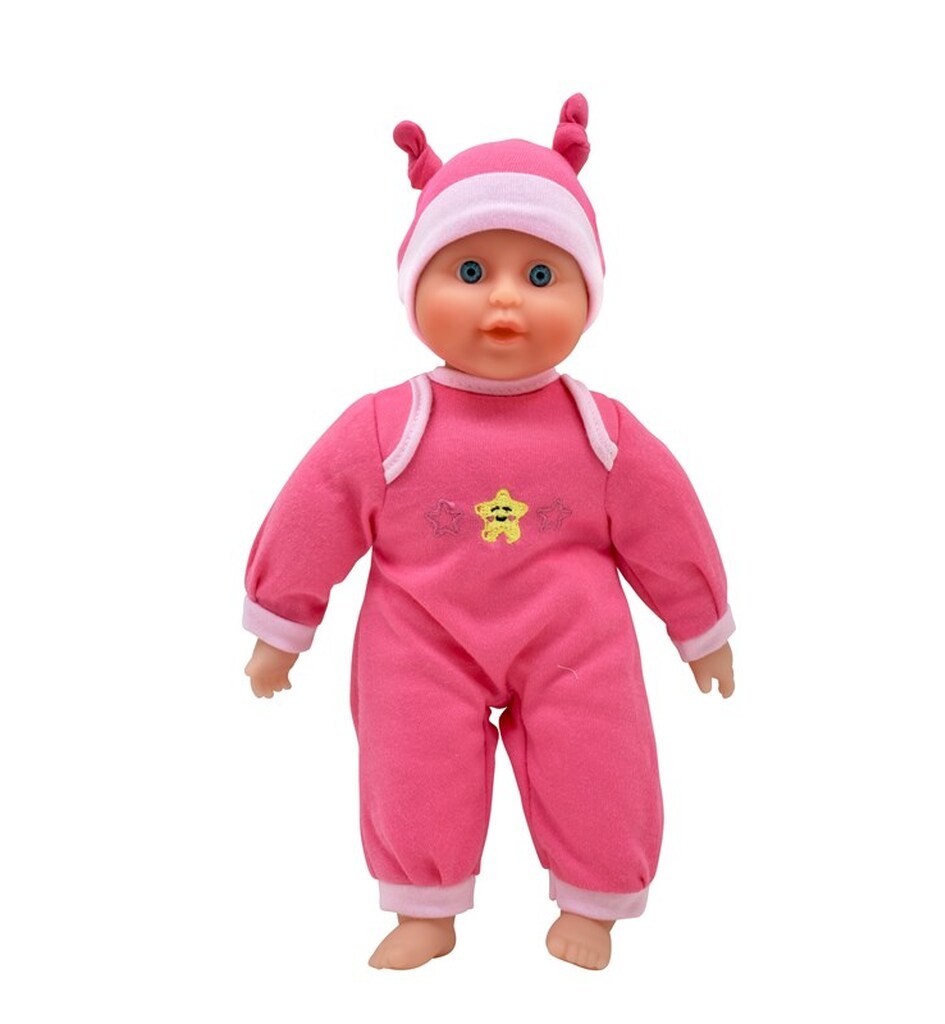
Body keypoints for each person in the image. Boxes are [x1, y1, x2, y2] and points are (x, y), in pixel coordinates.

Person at [243, 94, 735, 971]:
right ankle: (424, 907)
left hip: (573, 638)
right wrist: (280, 628)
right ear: (414, 287)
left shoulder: (600, 429)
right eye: (469, 271)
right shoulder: (389, 424)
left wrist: (701, 629)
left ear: (588, 293)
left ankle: (593, 902)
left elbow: (669, 526)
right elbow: (313, 514)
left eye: (541, 276)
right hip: (421, 637)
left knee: (601, 759)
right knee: (412, 761)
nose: (505, 299)